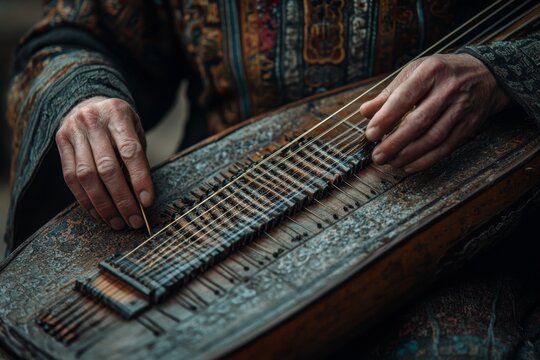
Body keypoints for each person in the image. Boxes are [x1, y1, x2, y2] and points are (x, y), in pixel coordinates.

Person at [5, 0, 540, 356]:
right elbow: (73, 35)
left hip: (448, 201)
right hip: (214, 201)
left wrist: (497, 74)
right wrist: (82, 97)